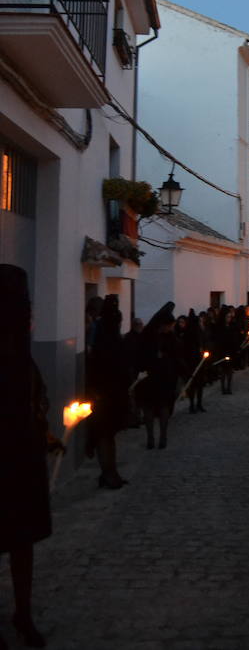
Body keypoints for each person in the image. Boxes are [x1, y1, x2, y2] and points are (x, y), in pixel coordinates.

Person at [0, 265, 58, 648]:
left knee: (22, 544)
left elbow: (34, 404)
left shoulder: (23, 358)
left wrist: (46, 433)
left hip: (22, 463)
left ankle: (23, 613)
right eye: (27, 310)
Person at [86, 294, 129, 487]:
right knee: (104, 434)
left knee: (107, 434)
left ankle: (110, 472)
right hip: (104, 393)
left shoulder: (106, 337)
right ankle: (108, 473)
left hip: (107, 392)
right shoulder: (106, 339)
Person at [136, 302, 178, 449]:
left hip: (165, 378)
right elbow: (141, 354)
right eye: (170, 325)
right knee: (149, 408)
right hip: (150, 377)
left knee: (163, 406)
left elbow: (176, 354)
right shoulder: (148, 336)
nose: (172, 328)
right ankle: (150, 437)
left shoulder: (170, 337)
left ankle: (163, 436)